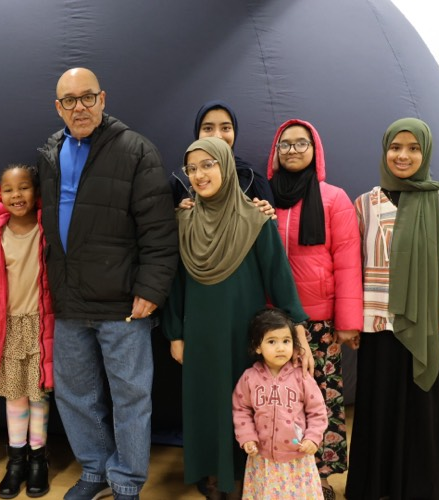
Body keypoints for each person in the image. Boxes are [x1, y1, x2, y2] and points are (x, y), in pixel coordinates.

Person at [37, 68, 178, 500]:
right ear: (57, 107)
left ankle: (126, 482)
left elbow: (159, 229)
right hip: (69, 300)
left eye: (87, 97)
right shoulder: (49, 152)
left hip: (123, 305)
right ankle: (96, 471)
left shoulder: (136, 150)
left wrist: (151, 290)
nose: (78, 107)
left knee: (130, 400)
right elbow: (16, 201)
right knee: (76, 397)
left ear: (103, 98)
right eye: (69, 101)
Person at [162, 136, 311, 499]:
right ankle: (211, 473)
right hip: (200, 332)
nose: (199, 175)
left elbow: (279, 277)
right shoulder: (183, 220)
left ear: (226, 167)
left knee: (246, 402)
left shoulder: (255, 219)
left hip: (245, 331)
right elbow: (175, 284)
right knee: (206, 401)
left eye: (208, 165)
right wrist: (176, 334)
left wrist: (299, 332)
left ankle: (245, 475)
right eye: (192, 168)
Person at [346, 118, 439, 500]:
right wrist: (354, 322)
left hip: (430, 330)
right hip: (379, 329)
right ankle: (377, 488)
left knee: (425, 421)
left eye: (413, 148)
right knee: (379, 416)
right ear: (385, 151)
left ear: (425, 152)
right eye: (396, 147)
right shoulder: (365, 203)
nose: (403, 155)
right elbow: (354, 268)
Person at [266, 119, 362, 500]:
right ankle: (278, 472)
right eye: (284, 144)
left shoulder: (333, 198)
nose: (292, 150)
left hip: (319, 319)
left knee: (318, 398)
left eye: (300, 143)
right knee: (276, 400)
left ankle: (318, 475)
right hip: (272, 319)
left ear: (315, 150)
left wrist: (348, 321)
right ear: (275, 151)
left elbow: (348, 260)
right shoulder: (262, 195)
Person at [0, 164, 54, 499]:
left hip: (39, 325)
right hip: (7, 328)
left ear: (36, 192)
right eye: (8, 189)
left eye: (24, 188)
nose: (15, 195)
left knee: (38, 395)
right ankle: (16, 460)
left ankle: (39, 459)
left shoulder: (46, 227)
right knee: (14, 395)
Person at [233, 308, 328, 499]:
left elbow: (317, 412)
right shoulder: (249, 378)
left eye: (286, 341)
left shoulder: (302, 377)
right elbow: (241, 410)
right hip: (263, 459)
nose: (280, 348)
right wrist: (247, 437)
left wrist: (313, 438)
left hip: (297, 458)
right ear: (257, 347)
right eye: (272, 341)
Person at [171, 100, 275, 208]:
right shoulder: (180, 180)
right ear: (198, 132)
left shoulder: (252, 177)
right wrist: (179, 214)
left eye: (225, 128)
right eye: (208, 128)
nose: (217, 136)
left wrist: (263, 214)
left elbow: (270, 220)